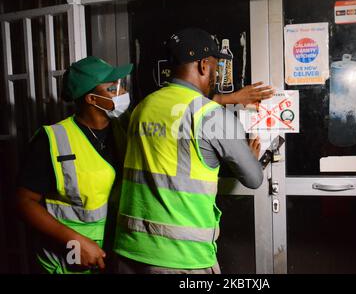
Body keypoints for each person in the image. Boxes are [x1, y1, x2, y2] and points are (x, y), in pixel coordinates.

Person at [113, 27, 268, 274]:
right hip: (182, 257)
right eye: (216, 68)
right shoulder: (213, 116)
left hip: (130, 249)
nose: (216, 75)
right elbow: (254, 178)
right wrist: (250, 157)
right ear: (204, 66)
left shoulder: (142, 107)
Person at [15, 56, 133, 274]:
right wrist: (73, 241)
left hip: (115, 256)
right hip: (68, 260)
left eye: (120, 85)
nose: (122, 91)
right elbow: (23, 202)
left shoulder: (122, 130)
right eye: (112, 87)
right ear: (91, 98)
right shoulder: (53, 140)